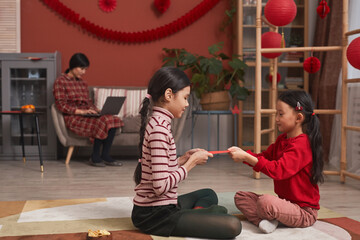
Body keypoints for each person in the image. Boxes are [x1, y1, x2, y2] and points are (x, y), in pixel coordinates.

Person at [131, 67, 242, 239]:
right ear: (169, 95)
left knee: (208, 194)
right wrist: (191, 164)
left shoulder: (159, 122)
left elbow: (159, 167)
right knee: (233, 225)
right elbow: (160, 187)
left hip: (165, 206)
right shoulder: (159, 130)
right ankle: (204, 216)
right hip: (154, 215)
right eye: (185, 98)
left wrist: (183, 159)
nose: (187, 104)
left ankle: (201, 216)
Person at [228, 90, 324, 234]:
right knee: (241, 197)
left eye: (281, 114)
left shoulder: (303, 144)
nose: (276, 118)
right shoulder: (282, 140)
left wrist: (247, 158)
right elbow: (264, 157)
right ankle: (264, 221)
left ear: (298, 117)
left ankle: (268, 217)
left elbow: (278, 171)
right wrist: (244, 154)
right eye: (276, 114)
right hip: (285, 204)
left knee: (265, 202)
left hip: (304, 212)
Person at [53, 53, 123, 167]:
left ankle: (105, 155)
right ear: (73, 66)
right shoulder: (60, 82)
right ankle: (95, 157)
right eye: (82, 69)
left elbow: (89, 103)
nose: (84, 72)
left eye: (85, 69)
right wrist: (81, 112)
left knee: (112, 119)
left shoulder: (82, 83)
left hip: (86, 115)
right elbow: (61, 105)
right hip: (73, 117)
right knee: (102, 121)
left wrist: (97, 110)